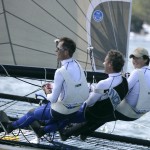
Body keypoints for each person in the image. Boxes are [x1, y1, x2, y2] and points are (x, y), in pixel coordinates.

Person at [0, 37, 89, 137]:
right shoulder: (78, 65)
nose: (56, 51)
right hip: (75, 109)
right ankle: (42, 131)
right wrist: (54, 87)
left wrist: (47, 92)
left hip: (61, 111)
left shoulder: (60, 72)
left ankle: (10, 126)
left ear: (66, 52)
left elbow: (53, 99)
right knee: (64, 118)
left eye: (58, 49)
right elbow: (73, 86)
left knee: (32, 113)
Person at [59, 48, 150, 141]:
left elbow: (124, 89)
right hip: (139, 114)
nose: (134, 61)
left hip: (127, 111)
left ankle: (67, 133)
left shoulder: (137, 73)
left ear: (146, 59)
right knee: (106, 114)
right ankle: (85, 132)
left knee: (101, 111)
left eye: (137, 58)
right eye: (133, 58)